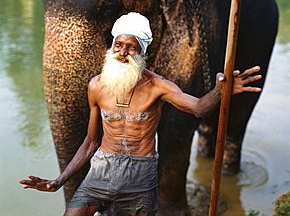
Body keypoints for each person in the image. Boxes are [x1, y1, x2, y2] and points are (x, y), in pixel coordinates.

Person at [20, 12, 262, 216]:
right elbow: (91, 141)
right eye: (118, 45)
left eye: (131, 47)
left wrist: (220, 92)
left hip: (141, 173)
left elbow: (198, 108)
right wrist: (59, 181)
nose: (123, 52)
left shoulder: (157, 87)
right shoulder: (96, 86)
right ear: (112, 46)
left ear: (142, 51)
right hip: (102, 169)